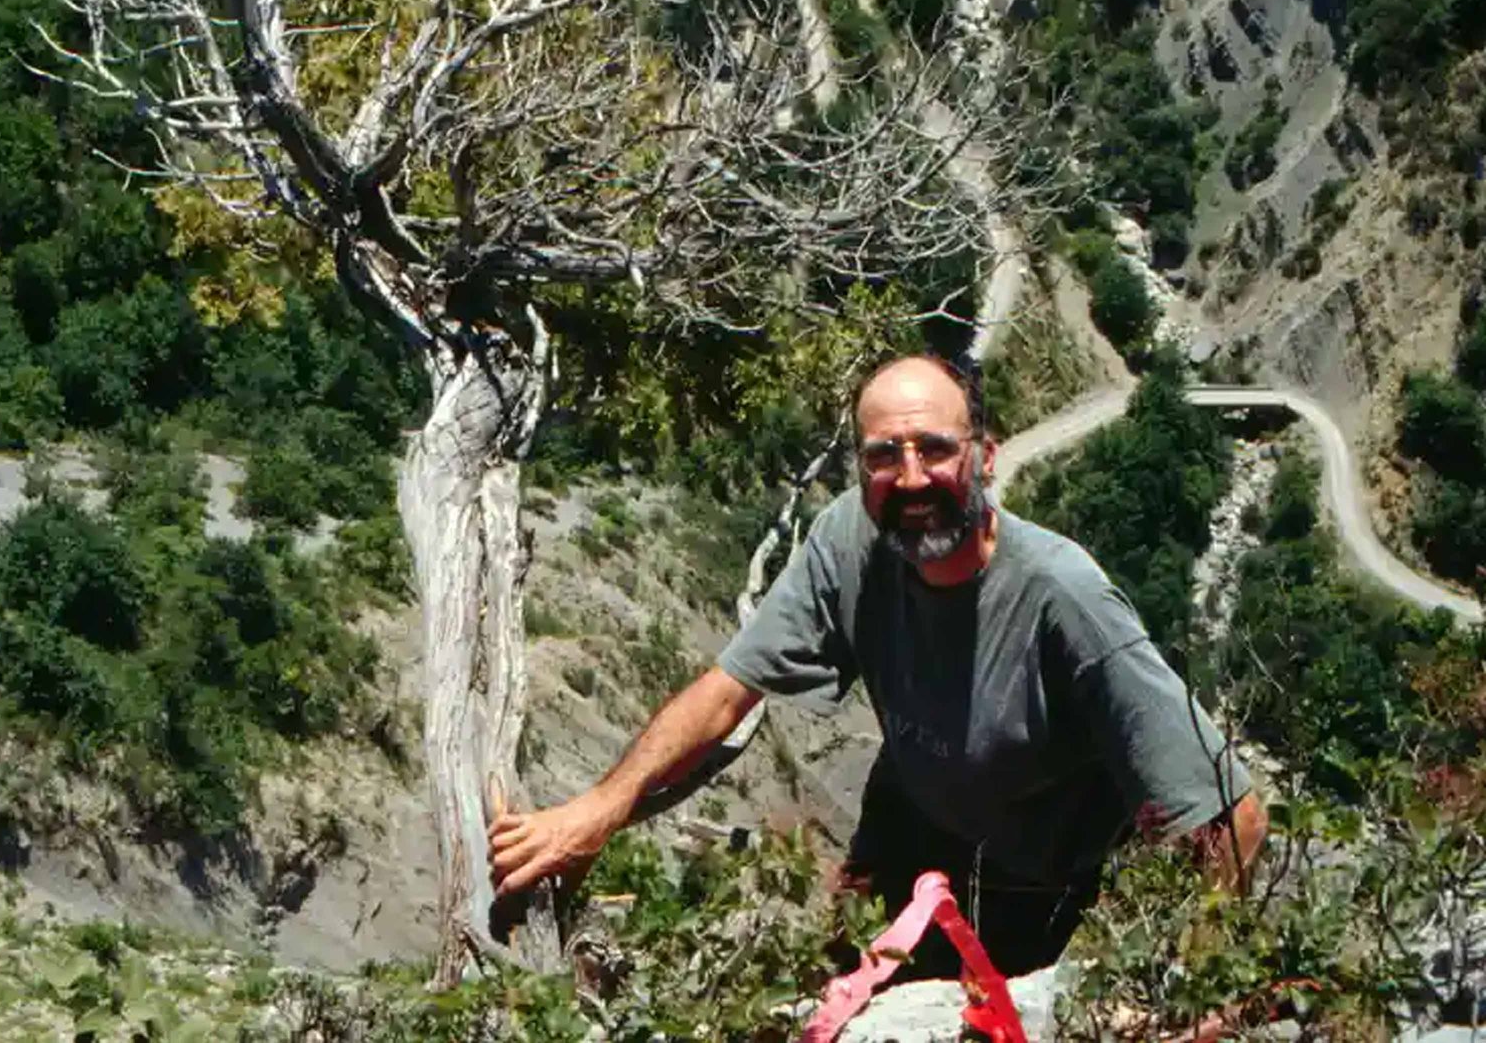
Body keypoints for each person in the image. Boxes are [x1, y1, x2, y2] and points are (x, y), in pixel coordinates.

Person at [490, 354, 1268, 977]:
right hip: (909, 835)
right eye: (882, 456)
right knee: (831, 997)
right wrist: (600, 809)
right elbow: (729, 690)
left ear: (985, 457)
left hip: (1039, 890)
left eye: (935, 449)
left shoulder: (1067, 606)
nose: (911, 477)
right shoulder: (849, 540)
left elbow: (1235, 816)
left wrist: (1173, 983)